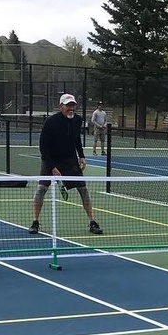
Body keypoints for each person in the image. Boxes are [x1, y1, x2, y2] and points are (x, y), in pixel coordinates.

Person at [30, 93, 103, 235]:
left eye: (73, 105)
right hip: (50, 160)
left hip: (70, 161)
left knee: (83, 190)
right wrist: (52, 167)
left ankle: (92, 222)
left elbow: (76, 140)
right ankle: (35, 222)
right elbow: (43, 147)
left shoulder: (77, 120)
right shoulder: (51, 122)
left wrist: (81, 156)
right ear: (61, 107)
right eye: (68, 105)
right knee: (41, 190)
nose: (71, 108)